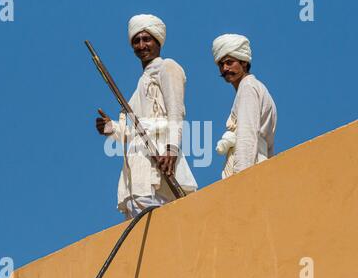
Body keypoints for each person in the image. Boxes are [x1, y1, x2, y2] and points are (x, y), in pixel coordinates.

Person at [96, 14, 197, 219]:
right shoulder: (138, 89)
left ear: (157, 41)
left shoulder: (167, 67)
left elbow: (176, 112)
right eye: (136, 41)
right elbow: (130, 130)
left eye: (146, 39)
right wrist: (111, 128)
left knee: (162, 222)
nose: (141, 45)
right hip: (136, 168)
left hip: (159, 162)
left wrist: (172, 149)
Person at [212, 34, 277, 179]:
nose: (225, 68)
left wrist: (240, 179)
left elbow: (246, 136)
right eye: (221, 65)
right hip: (259, 166)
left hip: (249, 168)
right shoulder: (250, 88)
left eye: (229, 62)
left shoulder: (248, 87)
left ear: (244, 63)